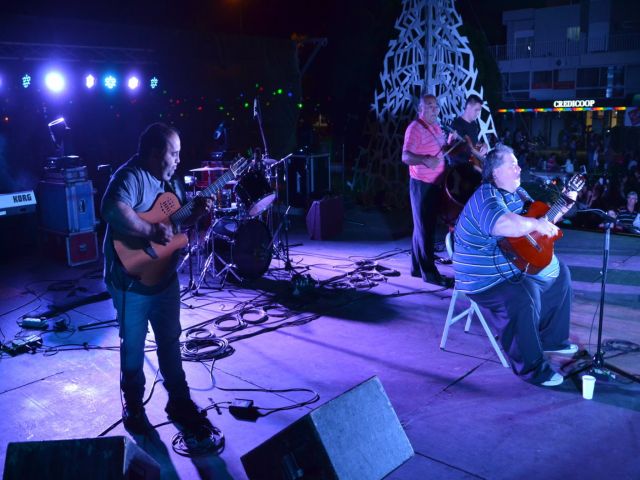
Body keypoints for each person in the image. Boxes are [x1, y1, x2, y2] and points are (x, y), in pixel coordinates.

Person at [102, 123, 215, 440]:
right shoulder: (131, 176)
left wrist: (196, 214)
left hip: (164, 278)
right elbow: (111, 208)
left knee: (170, 342)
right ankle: (134, 406)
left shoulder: (171, 183)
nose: (179, 159)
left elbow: (173, 226)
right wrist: (150, 231)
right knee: (134, 348)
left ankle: (179, 401)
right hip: (131, 281)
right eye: (174, 153)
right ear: (154, 154)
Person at [452, 144, 578, 387]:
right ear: (496, 172)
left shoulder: (518, 194)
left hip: (510, 263)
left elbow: (540, 221)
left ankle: (552, 338)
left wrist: (565, 204)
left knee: (560, 273)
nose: (519, 167)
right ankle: (531, 369)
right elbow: (504, 224)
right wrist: (535, 226)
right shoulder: (486, 196)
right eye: (512, 164)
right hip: (481, 278)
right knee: (524, 294)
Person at [402, 93, 453, 287]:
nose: (434, 109)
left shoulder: (436, 127)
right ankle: (430, 274)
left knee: (421, 227)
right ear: (420, 109)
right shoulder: (415, 128)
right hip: (421, 184)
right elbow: (405, 156)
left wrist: (449, 141)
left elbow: (441, 149)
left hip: (435, 183)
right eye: (430, 106)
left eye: (436, 106)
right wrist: (424, 159)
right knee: (426, 229)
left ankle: (416, 268)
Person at [447, 94, 489, 167]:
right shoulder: (456, 124)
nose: (478, 113)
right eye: (476, 110)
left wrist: (484, 145)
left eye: (479, 111)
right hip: (460, 169)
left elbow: (475, 143)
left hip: (472, 167)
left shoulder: (474, 124)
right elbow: (451, 150)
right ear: (468, 107)